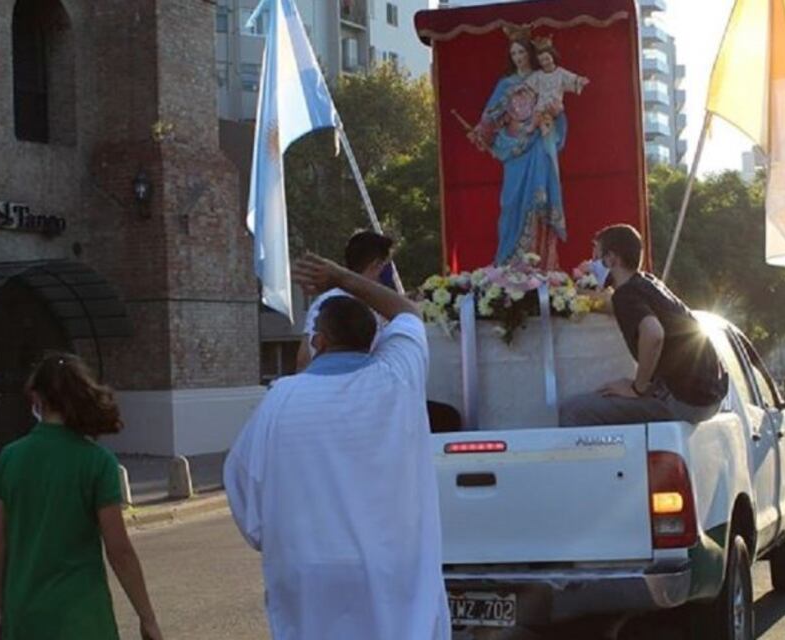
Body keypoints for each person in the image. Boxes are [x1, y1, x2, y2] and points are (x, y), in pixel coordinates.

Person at [224, 253, 450, 640]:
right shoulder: (399, 377)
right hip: (392, 573)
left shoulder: (280, 401)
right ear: (374, 341)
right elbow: (408, 312)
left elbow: (244, 489)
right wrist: (344, 278)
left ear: (319, 341)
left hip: (311, 575)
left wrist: (282, 539)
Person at [0, 353, 162, 640]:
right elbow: (119, 550)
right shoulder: (96, 461)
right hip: (82, 618)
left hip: (24, 617)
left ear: (36, 398)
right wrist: (147, 618)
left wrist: (0, 612)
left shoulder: (9, 458)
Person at [560, 225, 727, 426]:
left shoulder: (626, 294)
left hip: (685, 401)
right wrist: (571, 293)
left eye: (595, 255)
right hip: (707, 397)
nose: (592, 262)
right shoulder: (647, 282)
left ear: (611, 258)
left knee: (574, 412)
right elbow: (613, 304)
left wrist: (637, 388)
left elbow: (653, 333)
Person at [468, 28, 567, 270]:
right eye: (513, 52)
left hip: (537, 148)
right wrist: (481, 132)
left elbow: (557, 112)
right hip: (513, 151)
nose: (518, 57)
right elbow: (490, 117)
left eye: (521, 51)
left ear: (529, 53)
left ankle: (539, 265)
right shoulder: (506, 84)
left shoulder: (542, 79)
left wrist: (550, 117)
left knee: (537, 202)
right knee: (511, 204)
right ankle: (507, 263)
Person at [294, 230, 394, 371]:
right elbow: (305, 357)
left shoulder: (377, 304)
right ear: (377, 265)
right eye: (387, 266)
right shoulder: (331, 302)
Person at [524, 36, 589, 137]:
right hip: (542, 101)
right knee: (537, 114)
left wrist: (580, 80)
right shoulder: (538, 75)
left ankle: (545, 127)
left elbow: (571, 78)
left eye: (547, 58)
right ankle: (535, 126)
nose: (545, 62)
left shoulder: (560, 73)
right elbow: (528, 84)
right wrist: (523, 89)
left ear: (552, 56)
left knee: (549, 114)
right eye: (542, 60)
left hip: (555, 102)